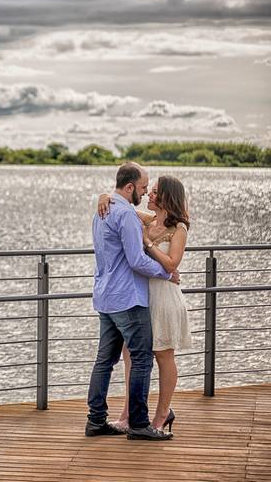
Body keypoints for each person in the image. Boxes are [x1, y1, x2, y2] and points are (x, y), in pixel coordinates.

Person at [85, 162, 177, 441]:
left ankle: (96, 421)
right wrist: (166, 273)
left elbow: (152, 220)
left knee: (104, 361)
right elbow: (136, 260)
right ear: (129, 188)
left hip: (105, 296)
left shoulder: (103, 210)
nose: (145, 191)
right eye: (142, 187)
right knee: (141, 360)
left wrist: (105, 196)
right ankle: (138, 423)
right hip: (128, 299)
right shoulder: (124, 214)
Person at [97, 175, 192, 433]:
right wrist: (104, 197)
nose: (149, 193)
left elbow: (172, 264)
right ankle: (128, 415)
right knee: (131, 353)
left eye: (154, 192)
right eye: (148, 190)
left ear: (167, 197)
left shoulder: (179, 228)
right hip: (139, 296)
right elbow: (123, 206)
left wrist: (147, 243)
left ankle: (163, 414)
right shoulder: (148, 219)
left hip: (163, 298)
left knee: (163, 354)